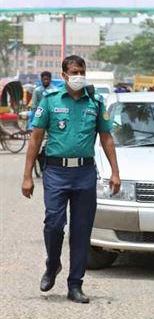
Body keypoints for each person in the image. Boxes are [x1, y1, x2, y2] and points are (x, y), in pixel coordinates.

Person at [21, 55, 121, 303]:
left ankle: (75, 285)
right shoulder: (50, 101)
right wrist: (27, 176)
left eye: (82, 71)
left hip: (85, 174)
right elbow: (35, 138)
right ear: (64, 75)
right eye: (74, 72)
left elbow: (107, 138)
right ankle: (52, 263)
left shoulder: (95, 102)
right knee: (54, 225)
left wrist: (116, 172)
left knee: (81, 231)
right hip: (56, 172)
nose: (79, 76)